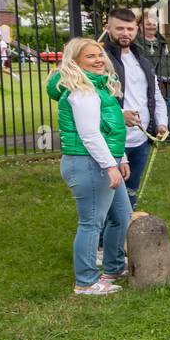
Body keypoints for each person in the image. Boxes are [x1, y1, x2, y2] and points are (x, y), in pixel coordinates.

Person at [46, 38, 131, 294]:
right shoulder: (82, 92)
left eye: (100, 55)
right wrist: (110, 166)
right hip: (87, 163)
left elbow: (109, 128)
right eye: (90, 57)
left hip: (104, 161)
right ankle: (86, 281)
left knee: (121, 216)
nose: (98, 60)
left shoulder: (99, 87)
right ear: (75, 62)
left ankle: (114, 265)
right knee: (92, 222)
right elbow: (90, 135)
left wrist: (121, 157)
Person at [101, 8, 168, 206]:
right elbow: (95, 101)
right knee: (110, 199)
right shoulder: (100, 60)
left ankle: (126, 234)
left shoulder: (142, 60)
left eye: (129, 28)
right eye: (119, 28)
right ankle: (106, 237)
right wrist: (120, 114)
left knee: (131, 194)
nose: (125, 33)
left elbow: (155, 94)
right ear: (108, 28)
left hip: (140, 141)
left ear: (136, 29)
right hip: (112, 141)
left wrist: (161, 123)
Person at [135, 9, 170, 96]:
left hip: (169, 86)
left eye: (154, 24)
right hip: (149, 87)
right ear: (140, 26)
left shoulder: (164, 43)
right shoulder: (136, 45)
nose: (152, 27)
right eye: (148, 24)